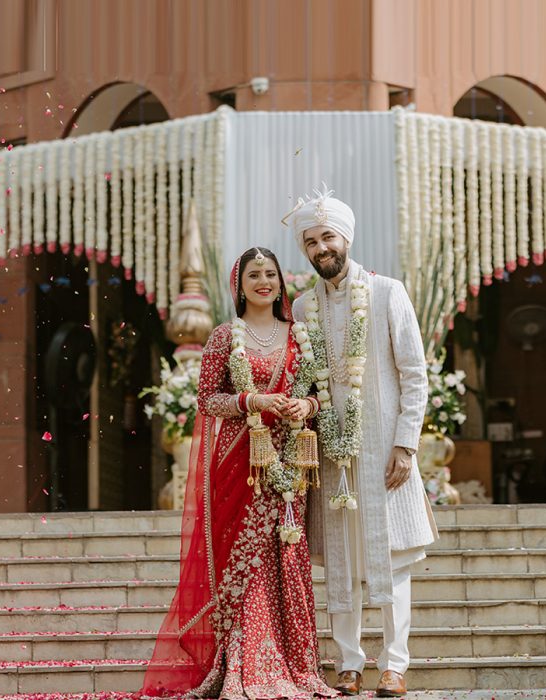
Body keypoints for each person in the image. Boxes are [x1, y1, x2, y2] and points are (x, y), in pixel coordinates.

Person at [140, 247, 337, 700]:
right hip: (240, 464)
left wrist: (304, 405)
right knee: (243, 561)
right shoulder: (224, 337)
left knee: (285, 554)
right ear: (239, 284)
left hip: (290, 459)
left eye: (270, 274)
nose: (263, 281)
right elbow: (207, 400)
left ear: (280, 283)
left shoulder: (302, 335)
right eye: (254, 275)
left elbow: (322, 394)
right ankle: (243, 661)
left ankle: (293, 663)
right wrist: (253, 402)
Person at [287, 187, 439, 697]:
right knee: (342, 564)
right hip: (331, 453)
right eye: (311, 241)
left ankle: (395, 665)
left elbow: (414, 374)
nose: (320, 247)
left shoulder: (386, 292)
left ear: (346, 238)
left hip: (385, 454)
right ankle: (349, 662)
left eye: (328, 236)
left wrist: (406, 444)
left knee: (393, 560)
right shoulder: (303, 306)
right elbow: (303, 380)